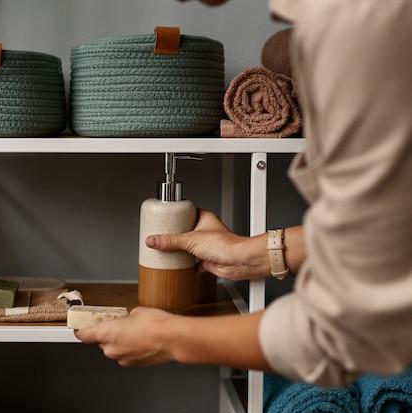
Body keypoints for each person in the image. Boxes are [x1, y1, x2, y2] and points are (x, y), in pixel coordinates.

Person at [76, 0, 412, 386]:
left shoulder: (360, 25)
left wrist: (168, 339)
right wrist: (252, 254)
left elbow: (347, 331)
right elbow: (389, 232)